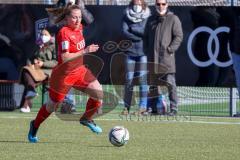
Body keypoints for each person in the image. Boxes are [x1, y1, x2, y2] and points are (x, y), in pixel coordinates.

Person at [27, 5, 103, 143]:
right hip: (64, 76)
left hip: (79, 70)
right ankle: (35, 124)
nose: (77, 20)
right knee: (52, 106)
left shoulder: (79, 28)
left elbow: (89, 19)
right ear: (67, 18)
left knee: (98, 93)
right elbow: (66, 57)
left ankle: (86, 118)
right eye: (74, 17)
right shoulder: (64, 32)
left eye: (79, 17)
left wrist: (79, 5)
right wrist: (85, 51)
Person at [144, 0, 183, 115]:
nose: (160, 6)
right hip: (152, 59)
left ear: (167, 5)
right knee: (152, 85)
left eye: (163, 4)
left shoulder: (173, 19)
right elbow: (145, 38)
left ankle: (174, 108)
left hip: (166, 59)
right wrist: (147, 51)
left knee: (170, 84)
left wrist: (170, 49)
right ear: (155, 5)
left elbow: (179, 36)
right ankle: (151, 108)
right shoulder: (151, 20)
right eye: (158, 4)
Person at [121, 0, 150, 115]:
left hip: (143, 53)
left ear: (142, 4)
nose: (137, 5)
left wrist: (133, 29)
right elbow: (124, 31)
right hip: (130, 53)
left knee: (143, 81)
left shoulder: (148, 15)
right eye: (135, 3)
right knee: (129, 80)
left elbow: (145, 32)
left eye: (139, 3)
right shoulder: (126, 14)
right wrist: (138, 35)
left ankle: (142, 107)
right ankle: (126, 107)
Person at [19, 29, 57, 113]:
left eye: (45, 34)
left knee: (29, 76)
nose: (43, 36)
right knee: (26, 69)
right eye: (42, 34)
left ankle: (27, 104)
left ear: (50, 35)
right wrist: (32, 63)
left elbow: (56, 62)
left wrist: (43, 63)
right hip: (36, 69)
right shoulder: (38, 45)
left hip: (48, 71)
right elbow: (30, 58)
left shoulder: (54, 46)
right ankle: (31, 93)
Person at [229, 7, 240, 97]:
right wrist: (232, 51)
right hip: (237, 54)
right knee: (239, 81)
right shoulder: (235, 12)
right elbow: (231, 32)